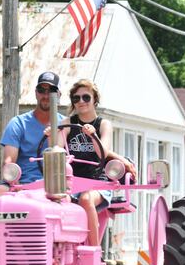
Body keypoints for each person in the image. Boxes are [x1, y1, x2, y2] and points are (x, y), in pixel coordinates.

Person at [53, 79, 130, 247]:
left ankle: (93, 252)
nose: (81, 102)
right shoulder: (67, 123)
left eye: (86, 97)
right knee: (55, 199)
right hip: (71, 183)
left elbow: (103, 152)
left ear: (95, 100)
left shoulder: (103, 124)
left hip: (97, 182)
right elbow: (57, 149)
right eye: (76, 98)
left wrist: (93, 136)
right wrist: (50, 138)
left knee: (86, 199)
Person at [0, 71, 64, 196]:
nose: (46, 95)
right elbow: (9, 161)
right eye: (41, 90)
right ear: (36, 93)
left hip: (55, 184)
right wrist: (17, 184)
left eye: (51, 90)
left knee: (80, 198)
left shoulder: (66, 125)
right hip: (20, 183)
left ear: (59, 94)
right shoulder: (18, 123)